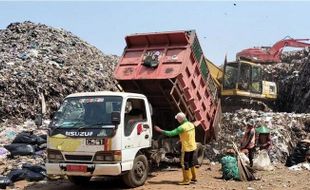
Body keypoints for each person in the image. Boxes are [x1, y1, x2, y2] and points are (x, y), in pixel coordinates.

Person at [154, 112, 197, 185]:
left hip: (186, 148)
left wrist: (160, 130)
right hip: (193, 146)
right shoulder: (191, 124)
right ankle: (193, 177)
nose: (177, 120)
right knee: (191, 162)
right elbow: (188, 134)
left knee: (184, 163)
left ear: (180, 119)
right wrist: (181, 139)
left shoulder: (182, 127)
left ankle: (186, 180)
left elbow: (171, 133)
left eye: (177, 119)